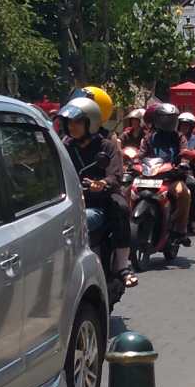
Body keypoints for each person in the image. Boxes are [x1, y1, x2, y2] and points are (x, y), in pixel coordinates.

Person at [60, 97, 137, 288]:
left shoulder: (106, 146)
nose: (72, 127)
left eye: (77, 122)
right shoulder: (65, 146)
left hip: (100, 200)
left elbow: (115, 173)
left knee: (120, 207)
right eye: (69, 122)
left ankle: (122, 266)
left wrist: (102, 182)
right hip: (71, 200)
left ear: (90, 123)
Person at [142, 103, 192, 241]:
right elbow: (140, 154)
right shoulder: (149, 137)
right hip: (148, 177)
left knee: (184, 193)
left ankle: (180, 229)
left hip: (171, 178)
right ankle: (127, 226)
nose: (168, 122)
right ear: (157, 119)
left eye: (171, 119)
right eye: (164, 119)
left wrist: (184, 163)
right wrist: (133, 162)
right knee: (127, 190)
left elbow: (184, 153)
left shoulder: (179, 137)